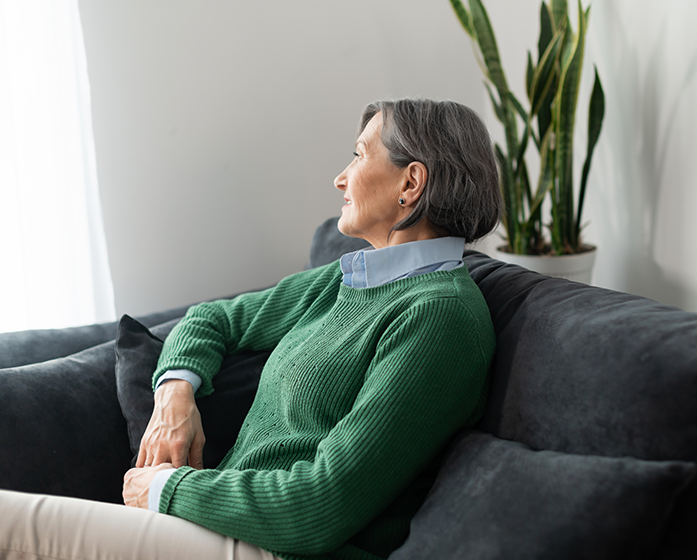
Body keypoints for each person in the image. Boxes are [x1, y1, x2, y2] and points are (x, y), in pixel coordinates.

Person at [0, 98, 503, 560]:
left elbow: (321, 504)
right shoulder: (349, 277)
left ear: (410, 184)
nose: (340, 178)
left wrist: (164, 488)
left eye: (357, 155)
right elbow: (212, 318)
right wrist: (176, 394)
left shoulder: (440, 318)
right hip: (223, 528)